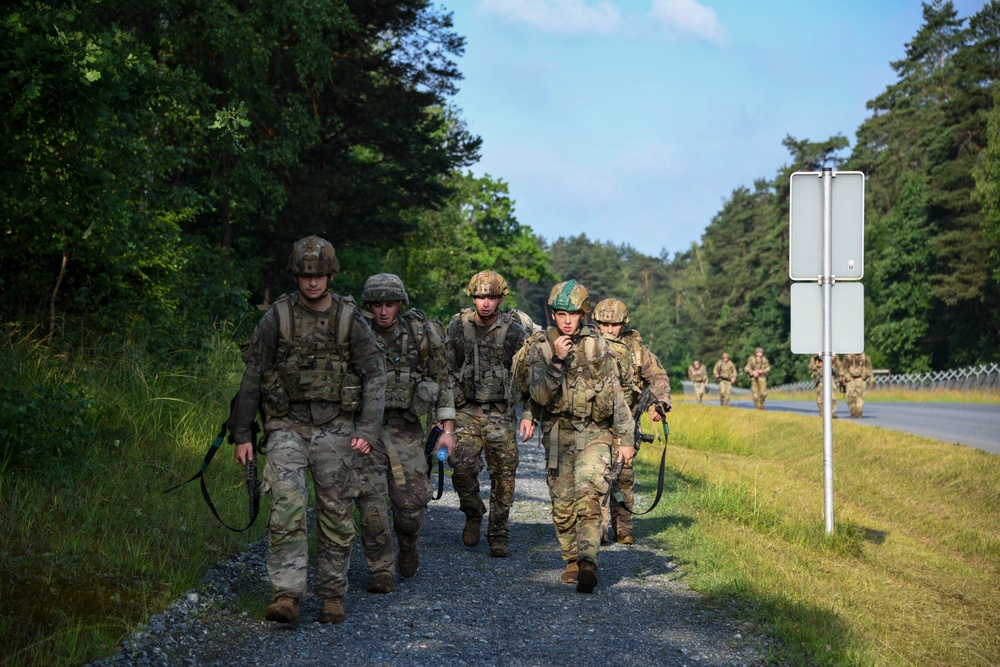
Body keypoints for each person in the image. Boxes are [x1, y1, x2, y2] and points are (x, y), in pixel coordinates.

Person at [230, 236, 386, 625]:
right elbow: (253, 374)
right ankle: (287, 595)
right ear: (295, 275)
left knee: (335, 513)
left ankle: (332, 594)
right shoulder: (277, 317)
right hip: (287, 426)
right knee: (287, 505)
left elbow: (375, 374)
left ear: (330, 275)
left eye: (319, 275)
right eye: (304, 275)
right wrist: (243, 434)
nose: (312, 283)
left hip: (337, 427)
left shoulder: (350, 319)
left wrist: (367, 429)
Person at [520, 281, 635, 593]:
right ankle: (571, 559)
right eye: (560, 314)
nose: (567, 320)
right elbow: (539, 397)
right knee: (562, 503)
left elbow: (616, 396)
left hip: (596, 432)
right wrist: (556, 361)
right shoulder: (541, 346)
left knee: (590, 495)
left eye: (573, 314)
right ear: (553, 314)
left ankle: (588, 561)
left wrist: (625, 438)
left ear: (584, 314)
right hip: (558, 433)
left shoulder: (599, 347)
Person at [356, 273, 456, 590]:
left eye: (389, 304)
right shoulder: (356, 335)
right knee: (371, 506)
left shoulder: (420, 335)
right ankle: (381, 570)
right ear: (368, 305)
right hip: (365, 433)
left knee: (410, 508)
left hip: (407, 430)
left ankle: (408, 544)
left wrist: (447, 428)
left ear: (400, 304)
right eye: (377, 305)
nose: (383, 312)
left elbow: (442, 381)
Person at [444, 271, 533, 558]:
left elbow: (528, 375)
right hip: (466, 411)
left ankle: (499, 533)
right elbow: (444, 369)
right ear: (473, 297)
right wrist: (445, 411)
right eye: (481, 297)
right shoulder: (458, 327)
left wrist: (528, 413)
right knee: (462, 469)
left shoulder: (514, 332)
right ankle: (473, 513)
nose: (485, 303)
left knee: (504, 476)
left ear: (500, 298)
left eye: (491, 297)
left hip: (500, 413)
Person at [590, 298, 671, 546]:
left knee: (623, 475)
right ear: (596, 323)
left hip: (625, 422)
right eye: (604, 323)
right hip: (593, 423)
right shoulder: (586, 345)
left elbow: (657, 377)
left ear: (623, 324)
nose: (609, 329)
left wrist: (661, 403)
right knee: (596, 475)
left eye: (614, 324)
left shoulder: (637, 351)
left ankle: (623, 528)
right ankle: (598, 528)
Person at [809, 353, 842, 418]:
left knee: (832, 396)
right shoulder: (816, 356)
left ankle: (832, 413)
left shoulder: (832, 354)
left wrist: (841, 375)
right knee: (820, 398)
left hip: (830, 378)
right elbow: (810, 366)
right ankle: (822, 412)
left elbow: (838, 365)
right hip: (821, 378)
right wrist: (818, 365)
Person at [842, 352, 874, 418]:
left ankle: (859, 411)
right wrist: (843, 377)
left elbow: (869, 368)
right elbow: (844, 367)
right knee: (850, 397)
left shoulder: (864, 357)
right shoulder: (848, 356)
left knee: (860, 396)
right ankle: (853, 411)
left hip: (861, 379)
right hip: (850, 379)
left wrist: (871, 380)